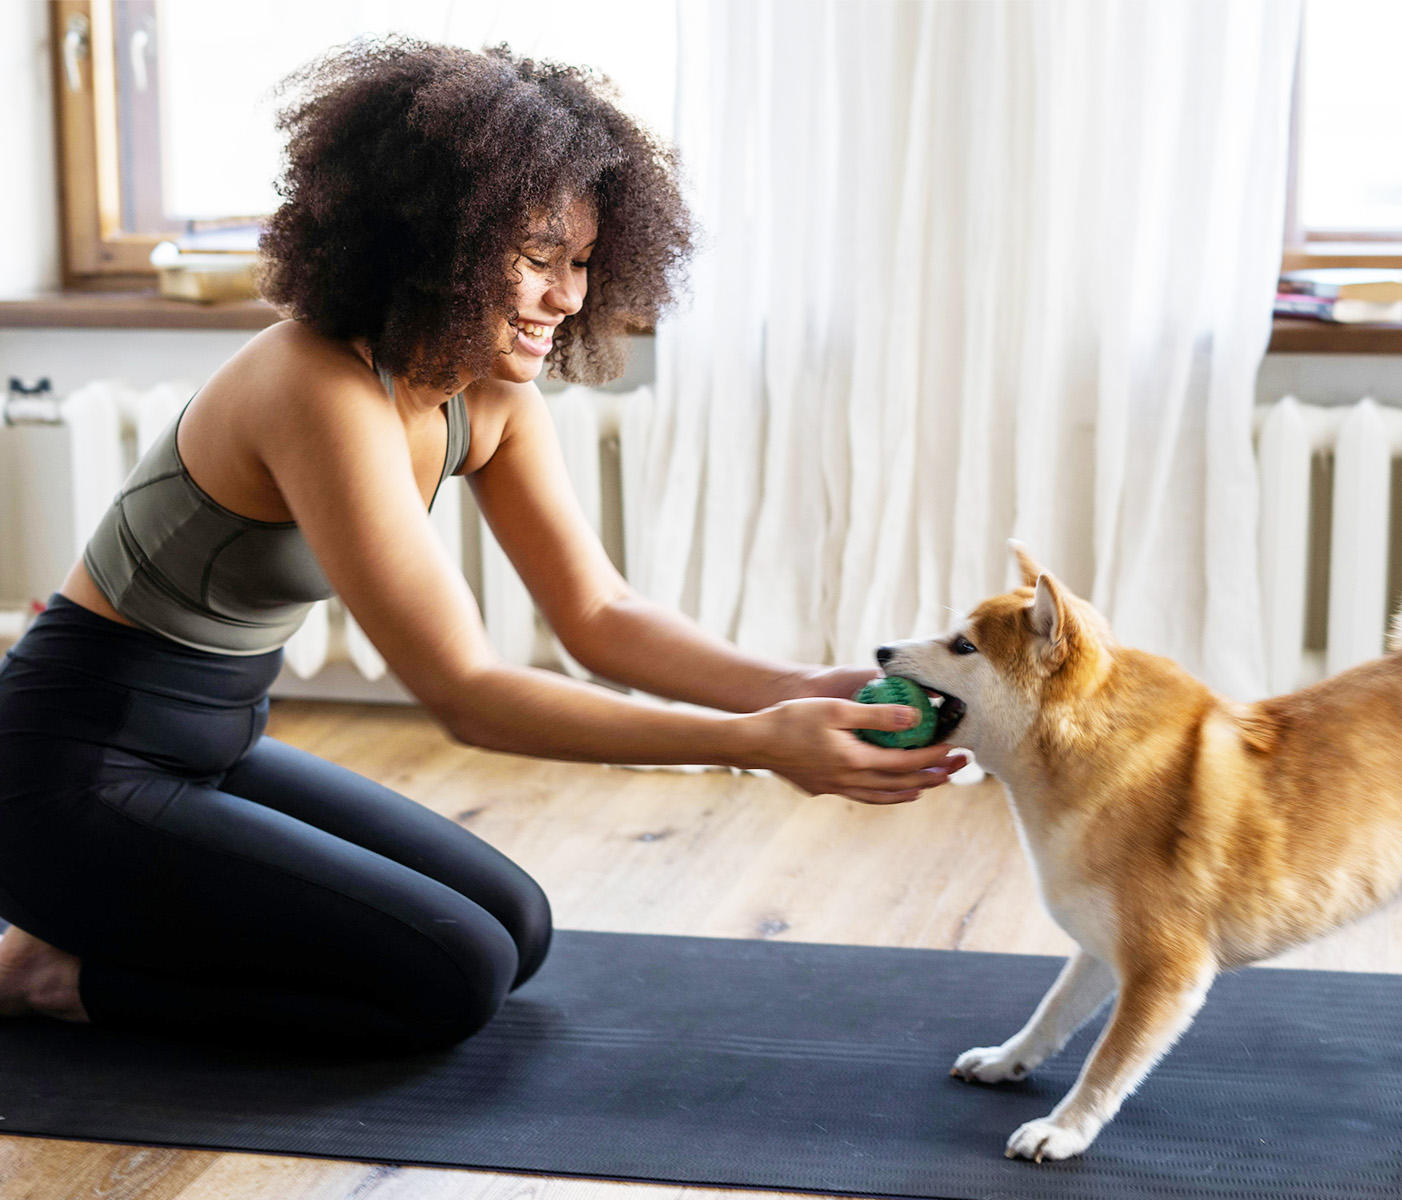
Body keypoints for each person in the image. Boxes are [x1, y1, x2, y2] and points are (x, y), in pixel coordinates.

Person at [0, 40, 963, 1054]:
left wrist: (798, 686)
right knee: (453, 976)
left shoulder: (490, 393)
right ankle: (52, 975)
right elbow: (463, 690)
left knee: (517, 928)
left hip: (214, 750)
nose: (570, 297)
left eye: (582, 262)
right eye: (538, 258)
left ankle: (118, 931)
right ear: (436, 241)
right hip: (68, 777)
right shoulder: (312, 384)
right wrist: (751, 745)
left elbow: (600, 617)